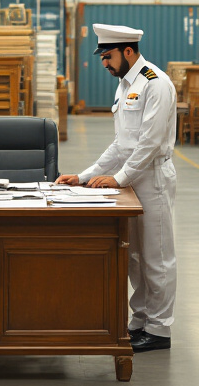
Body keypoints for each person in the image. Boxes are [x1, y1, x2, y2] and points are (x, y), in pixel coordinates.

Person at [56, 24, 177, 352]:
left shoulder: (156, 83)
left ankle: (160, 330)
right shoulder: (125, 86)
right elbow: (121, 144)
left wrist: (119, 179)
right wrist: (83, 176)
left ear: (128, 51)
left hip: (151, 178)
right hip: (130, 177)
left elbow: (149, 143)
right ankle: (140, 322)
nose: (104, 64)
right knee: (134, 257)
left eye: (108, 57)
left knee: (157, 256)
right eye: (102, 58)